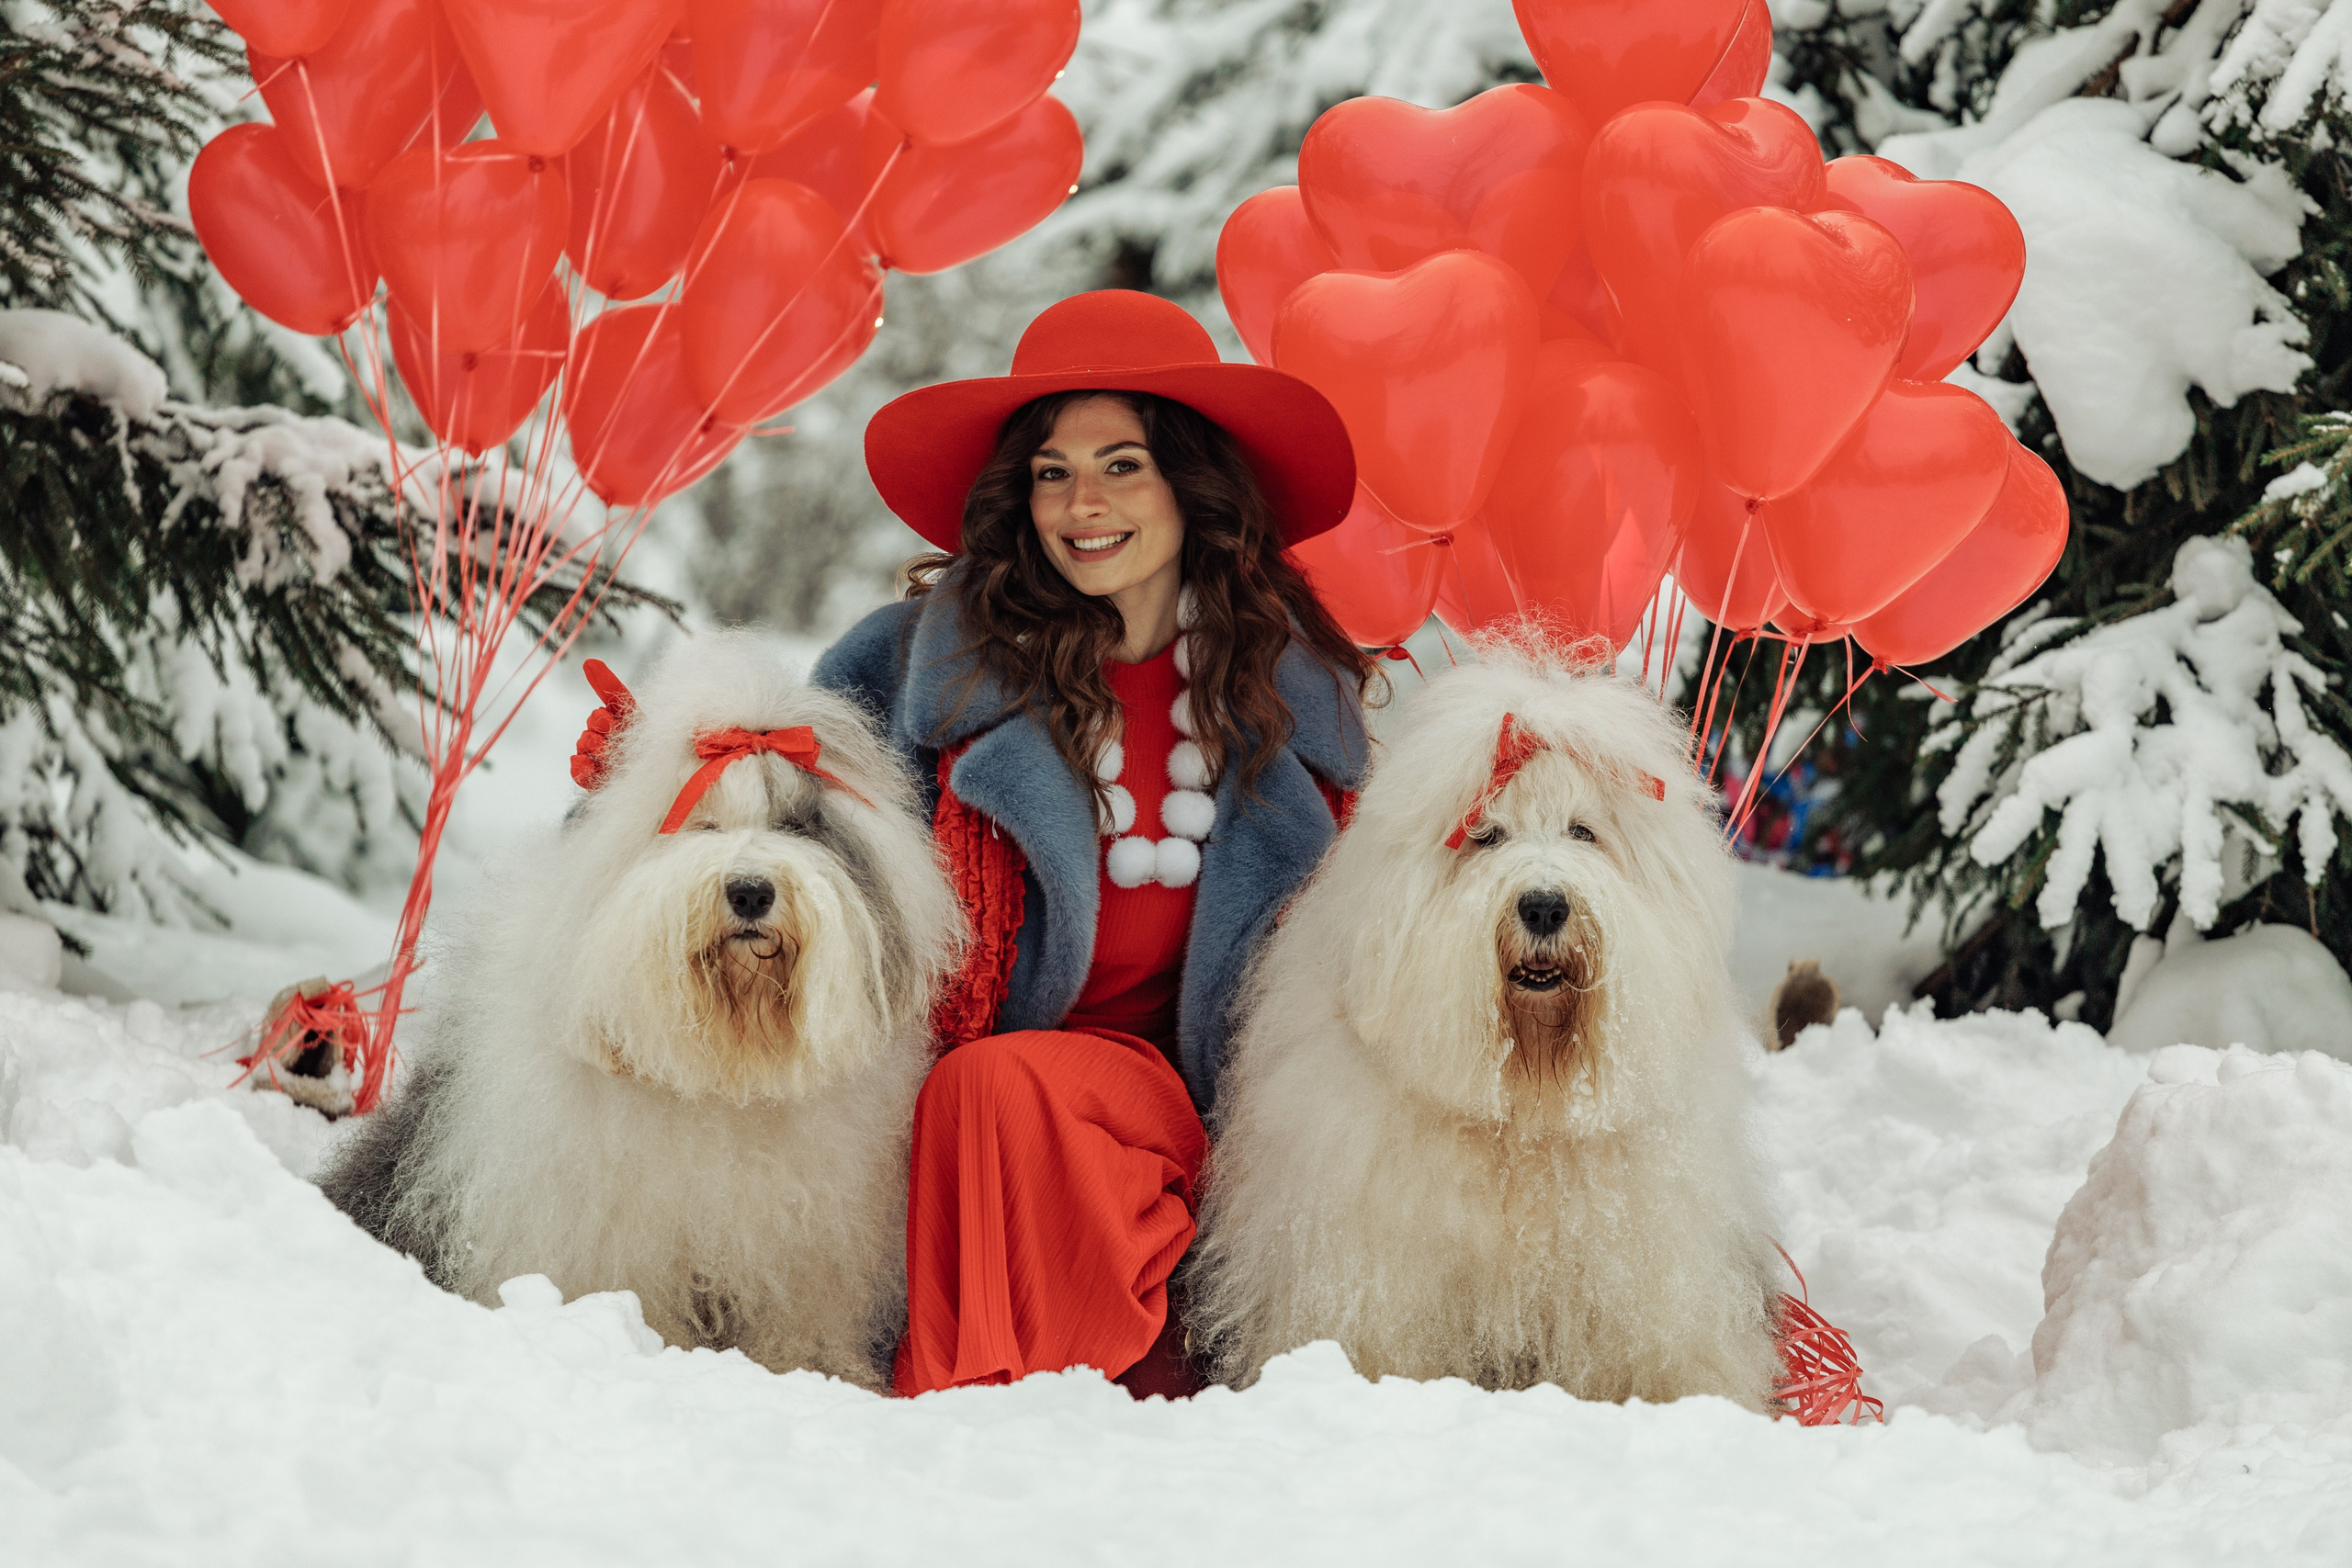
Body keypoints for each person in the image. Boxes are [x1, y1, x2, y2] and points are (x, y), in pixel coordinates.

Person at [812, 288, 1375, 1397]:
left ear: (1190, 486)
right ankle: (1031, 1405)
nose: (1082, 503)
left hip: (1216, 1115)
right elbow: (776, 829)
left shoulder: (1292, 692)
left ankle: (1039, 1392)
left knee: (997, 1090)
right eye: (1051, 472)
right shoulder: (910, 667)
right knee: (991, 1088)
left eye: (1123, 465)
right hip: (975, 1117)